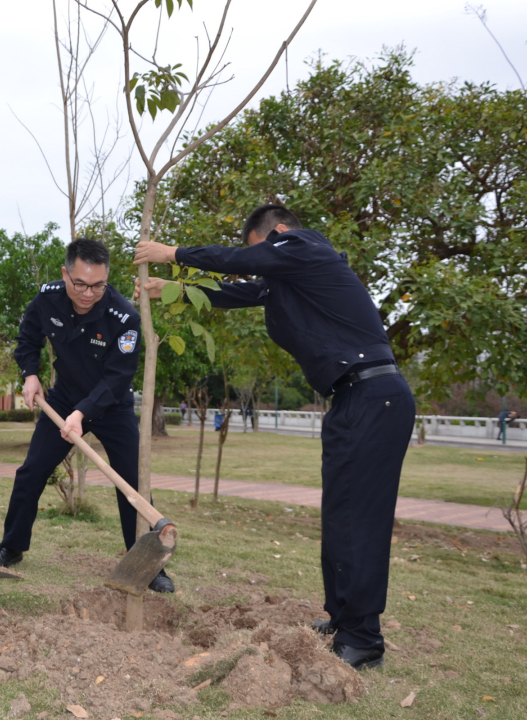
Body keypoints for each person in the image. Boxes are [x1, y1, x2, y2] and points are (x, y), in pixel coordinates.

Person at [134, 204, 415, 668]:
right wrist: (176, 290)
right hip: (351, 400)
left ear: (279, 234)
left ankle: (365, 639)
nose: (261, 263)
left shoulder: (308, 246)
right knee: (340, 517)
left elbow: (246, 263)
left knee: (360, 522)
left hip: (375, 396)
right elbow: (240, 291)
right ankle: (344, 622)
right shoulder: (292, 278)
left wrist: (174, 252)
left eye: (260, 252)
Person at [0, 238, 174, 594]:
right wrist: (30, 373)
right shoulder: (47, 297)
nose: (88, 293)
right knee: (31, 471)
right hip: (63, 398)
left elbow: (118, 378)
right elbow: (28, 339)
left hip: (111, 405)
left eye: (98, 285)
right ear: (65, 274)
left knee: (131, 483)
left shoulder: (125, 317)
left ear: (107, 279)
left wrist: (82, 414)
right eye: (80, 284)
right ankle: (10, 547)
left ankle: (149, 565)